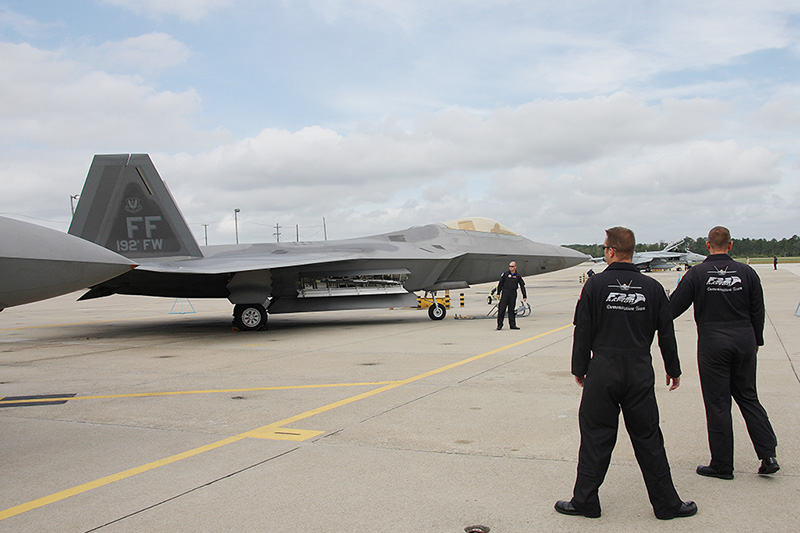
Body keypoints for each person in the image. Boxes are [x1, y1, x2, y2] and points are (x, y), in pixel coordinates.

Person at [555, 227, 696, 520]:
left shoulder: (594, 287)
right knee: (648, 438)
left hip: (603, 369)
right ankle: (667, 505)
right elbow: (666, 333)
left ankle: (585, 502)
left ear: (611, 251)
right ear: (631, 251)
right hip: (639, 370)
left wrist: (580, 369)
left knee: (595, 436)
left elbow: (583, 331)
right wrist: (673, 369)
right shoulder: (653, 288)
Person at [670, 226, 778, 479]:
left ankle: (722, 464)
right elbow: (757, 310)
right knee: (748, 396)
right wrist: (756, 341)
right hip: (744, 340)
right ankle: (768, 454)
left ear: (708, 245)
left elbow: (673, 308)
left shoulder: (697, 274)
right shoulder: (747, 272)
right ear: (730, 245)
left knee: (718, 403)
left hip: (713, 343)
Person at [496, 261, 527, 330]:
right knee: (501, 309)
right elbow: (500, 283)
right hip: (505, 293)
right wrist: (498, 293)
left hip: (513, 293)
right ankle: (499, 325)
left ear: (515, 267)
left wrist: (524, 296)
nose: (510, 268)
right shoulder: (505, 274)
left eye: (512, 266)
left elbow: (522, 286)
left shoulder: (518, 276)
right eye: (510, 266)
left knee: (511, 310)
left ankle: (512, 325)